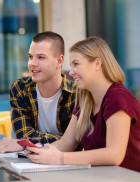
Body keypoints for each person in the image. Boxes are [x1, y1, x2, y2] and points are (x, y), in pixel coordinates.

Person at [26, 36, 140, 172]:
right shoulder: (85, 98)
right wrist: (40, 152)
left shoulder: (117, 97)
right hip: (103, 179)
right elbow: (67, 142)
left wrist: (61, 158)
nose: (71, 72)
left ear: (97, 63)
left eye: (76, 64)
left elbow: (114, 155)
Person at [0, 31, 77, 153]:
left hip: (68, 164)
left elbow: (75, 143)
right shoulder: (20, 88)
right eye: (30, 57)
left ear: (59, 61)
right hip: (33, 162)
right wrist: (61, 140)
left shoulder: (76, 93)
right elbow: (23, 135)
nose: (32, 63)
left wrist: (27, 142)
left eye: (41, 57)